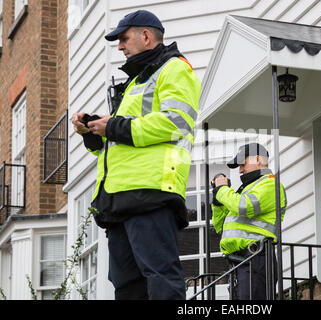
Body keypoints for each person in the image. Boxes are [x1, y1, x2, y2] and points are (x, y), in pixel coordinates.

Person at [71, 10, 201, 300]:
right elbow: (117, 146)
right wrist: (92, 132)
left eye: (123, 38)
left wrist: (113, 125)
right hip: (119, 198)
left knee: (159, 275)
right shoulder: (135, 83)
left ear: (145, 36)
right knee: (126, 284)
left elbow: (177, 122)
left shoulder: (174, 68)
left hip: (150, 191)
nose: (119, 46)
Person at [211, 143, 287, 300]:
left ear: (258, 159)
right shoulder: (244, 191)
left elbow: (245, 206)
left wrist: (222, 191)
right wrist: (218, 202)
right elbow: (220, 226)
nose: (240, 170)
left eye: (242, 164)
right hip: (240, 263)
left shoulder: (271, 184)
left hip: (256, 258)